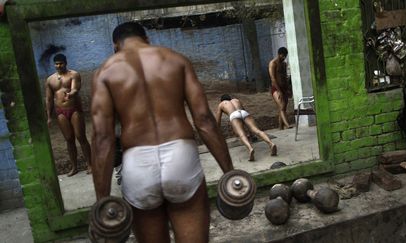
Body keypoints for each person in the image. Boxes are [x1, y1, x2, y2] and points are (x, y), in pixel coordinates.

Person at [91, 22, 234, 243]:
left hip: (137, 165)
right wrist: (230, 173)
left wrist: (102, 201)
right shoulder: (176, 60)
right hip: (181, 155)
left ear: (115, 46)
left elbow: (103, 139)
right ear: (146, 39)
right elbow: (204, 120)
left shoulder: (105, 72)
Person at [45, 54, 91, 176]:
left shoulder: (73, 74)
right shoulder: (50, 80)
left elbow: (76, 88)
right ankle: (74, 167)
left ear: (66, 63)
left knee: (80, 137)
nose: (58, 66)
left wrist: (71, 94)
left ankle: (90, 164)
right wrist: (49, 116)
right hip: (60, 112)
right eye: (56, 64)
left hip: (74, 109)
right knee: (69, 139)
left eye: (61, 63)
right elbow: (49, 99)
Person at [215, 94, 277, 162]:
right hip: (243, 112)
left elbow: (218, 121)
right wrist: (251, 134)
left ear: (222, 100)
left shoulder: (221, 104)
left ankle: (250, 149)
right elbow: (243, 112)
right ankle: (271, 144)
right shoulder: (236, 100)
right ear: (230, 98)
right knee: (256, 130)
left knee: (241, 134)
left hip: (234, 115)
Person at [268, 47, 295, 129]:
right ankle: (287, 124)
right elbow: (273, 78)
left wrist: (288, 89)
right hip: (276, 88)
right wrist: (279, 91)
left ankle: (281, 127)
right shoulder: (273, 63)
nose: (284, 58)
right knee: (282, 106)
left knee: (283, 108)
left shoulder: (284, 64)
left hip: (284, 88)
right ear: (279, 54)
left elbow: (285, 77)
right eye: (283, 56)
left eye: (285, 56)